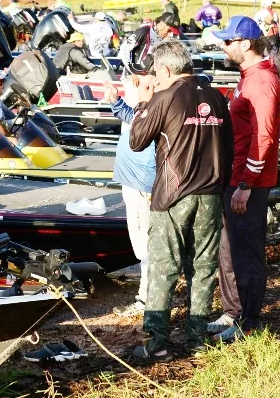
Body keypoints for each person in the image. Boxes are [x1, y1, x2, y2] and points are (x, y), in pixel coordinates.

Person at [129, 39, 233, 360]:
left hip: (174, 195)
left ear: (165, 69)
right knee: (203, 267)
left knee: (164, 266)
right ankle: (197, 339)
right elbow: (229, 145)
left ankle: (157, 342)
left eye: (156, 75)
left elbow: (136, 140)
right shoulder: (217, 97)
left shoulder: (164, 96)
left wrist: (143, 102)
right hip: (212, 194)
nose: (154, 80)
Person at [209, 16, 280, 343]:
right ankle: (233, 311)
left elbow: (263, 138)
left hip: (247, 184)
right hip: (235, 179)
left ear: (246, 44)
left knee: (247, 253)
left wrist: (246, 185)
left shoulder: (261, 81)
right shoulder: (247, 76)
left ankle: (250, 321)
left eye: (229, 41)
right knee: (230, 249)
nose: (224, 46)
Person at [103, 68, 157, 318]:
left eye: (143, 82)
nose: (136, 84)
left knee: (144, 247)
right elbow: (131, 117)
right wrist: (116, 101)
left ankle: (146, 300)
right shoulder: (146, 107)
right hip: (134, 184)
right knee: (144, 244)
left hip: (141, 186)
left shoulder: (156, 108)